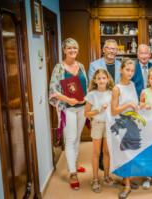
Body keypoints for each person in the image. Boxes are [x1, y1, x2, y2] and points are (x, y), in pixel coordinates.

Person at [49, 38, 88, 190]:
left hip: (82, 107)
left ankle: (74, 163)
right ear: (64, 50)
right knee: (70, 138)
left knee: (77, 136)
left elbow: (86, 85)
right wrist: (68, 100)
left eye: (75, 48)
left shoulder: (81, 66)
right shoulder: (59, 67)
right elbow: (53, 91)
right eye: (69, 48)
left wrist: (88, 97)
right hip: (68, 108)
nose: (72, 51)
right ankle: (72, 173)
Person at [111, 58, 139, 199]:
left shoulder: (133, 84)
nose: (130, 73)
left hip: (133, 123)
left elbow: (135, 103)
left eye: (132, 70)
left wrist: (140, 107)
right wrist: (128, 106)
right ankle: (127, 185)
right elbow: (114, 111)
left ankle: (126, 179)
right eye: (127, 70)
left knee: (131, 153)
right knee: (125, 154)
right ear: (121, 70)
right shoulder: (117, 89)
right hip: (122, 124)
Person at [84, 69, 115, 193]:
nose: (101, 80)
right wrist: (98, 110)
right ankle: (95, 179)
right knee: (96, 153)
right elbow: (86, 113)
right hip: (97, 124)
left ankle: (107, 176)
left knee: (107, 152)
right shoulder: (92, 94)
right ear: (95, 81)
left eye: (104, 78)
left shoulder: (112, 92)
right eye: (99, 78)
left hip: (109, 124)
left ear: (108, 80)